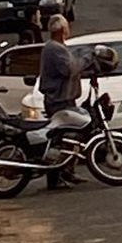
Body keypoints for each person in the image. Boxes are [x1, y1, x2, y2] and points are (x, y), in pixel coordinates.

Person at [39, 14, 93, 188]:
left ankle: (67, 171)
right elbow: (69, 68)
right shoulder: (54, 49)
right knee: (61, 139)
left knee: (72, 137)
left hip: (66, 98)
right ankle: (56, 176)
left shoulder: (58, 47)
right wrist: (86, 59)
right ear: (63, 30)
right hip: (59, 100)